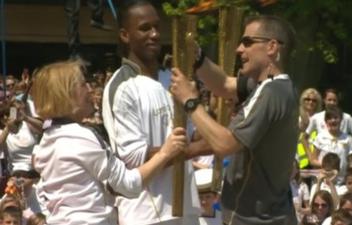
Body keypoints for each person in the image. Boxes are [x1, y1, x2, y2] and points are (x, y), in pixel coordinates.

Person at [171, 15, 298, 224]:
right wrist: (198, 57)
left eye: (247, 42)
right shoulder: (273, 87)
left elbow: (224, 144)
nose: (239, 49)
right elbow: (222, 84)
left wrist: (190, 102)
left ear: (272, 47)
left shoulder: (272, 92)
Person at [31, 59, 187, 225]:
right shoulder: (80, 136)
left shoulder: (46, 141)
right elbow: (128, 185)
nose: (90, 90)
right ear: (66, 94)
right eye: (83, 85)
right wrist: (165, 152)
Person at [102, 1, 200, 224]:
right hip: (146, 213)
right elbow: (133, 158)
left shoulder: (173, 80)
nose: (155, 34)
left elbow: (191, 134)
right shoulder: (121, 87)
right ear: (125, 35)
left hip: (186, 206)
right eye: (145, 28)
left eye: (157, 27)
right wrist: (196, 149)